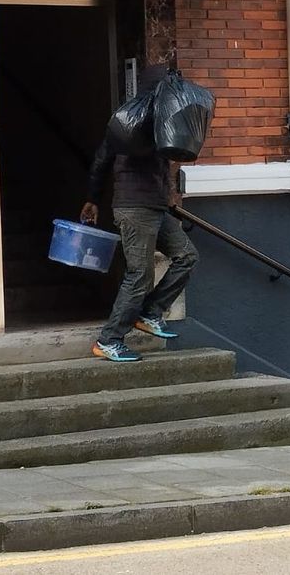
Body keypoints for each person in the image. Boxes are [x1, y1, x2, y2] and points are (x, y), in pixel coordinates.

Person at [82, 64, 198, 362]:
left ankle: (150, 312)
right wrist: (93, 198)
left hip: (156, 206)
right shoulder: (131, 121)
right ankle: (108, 340)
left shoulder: (162, 118)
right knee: (139, 275)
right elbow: (102, 159)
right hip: (134, 208)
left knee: (186, 256)